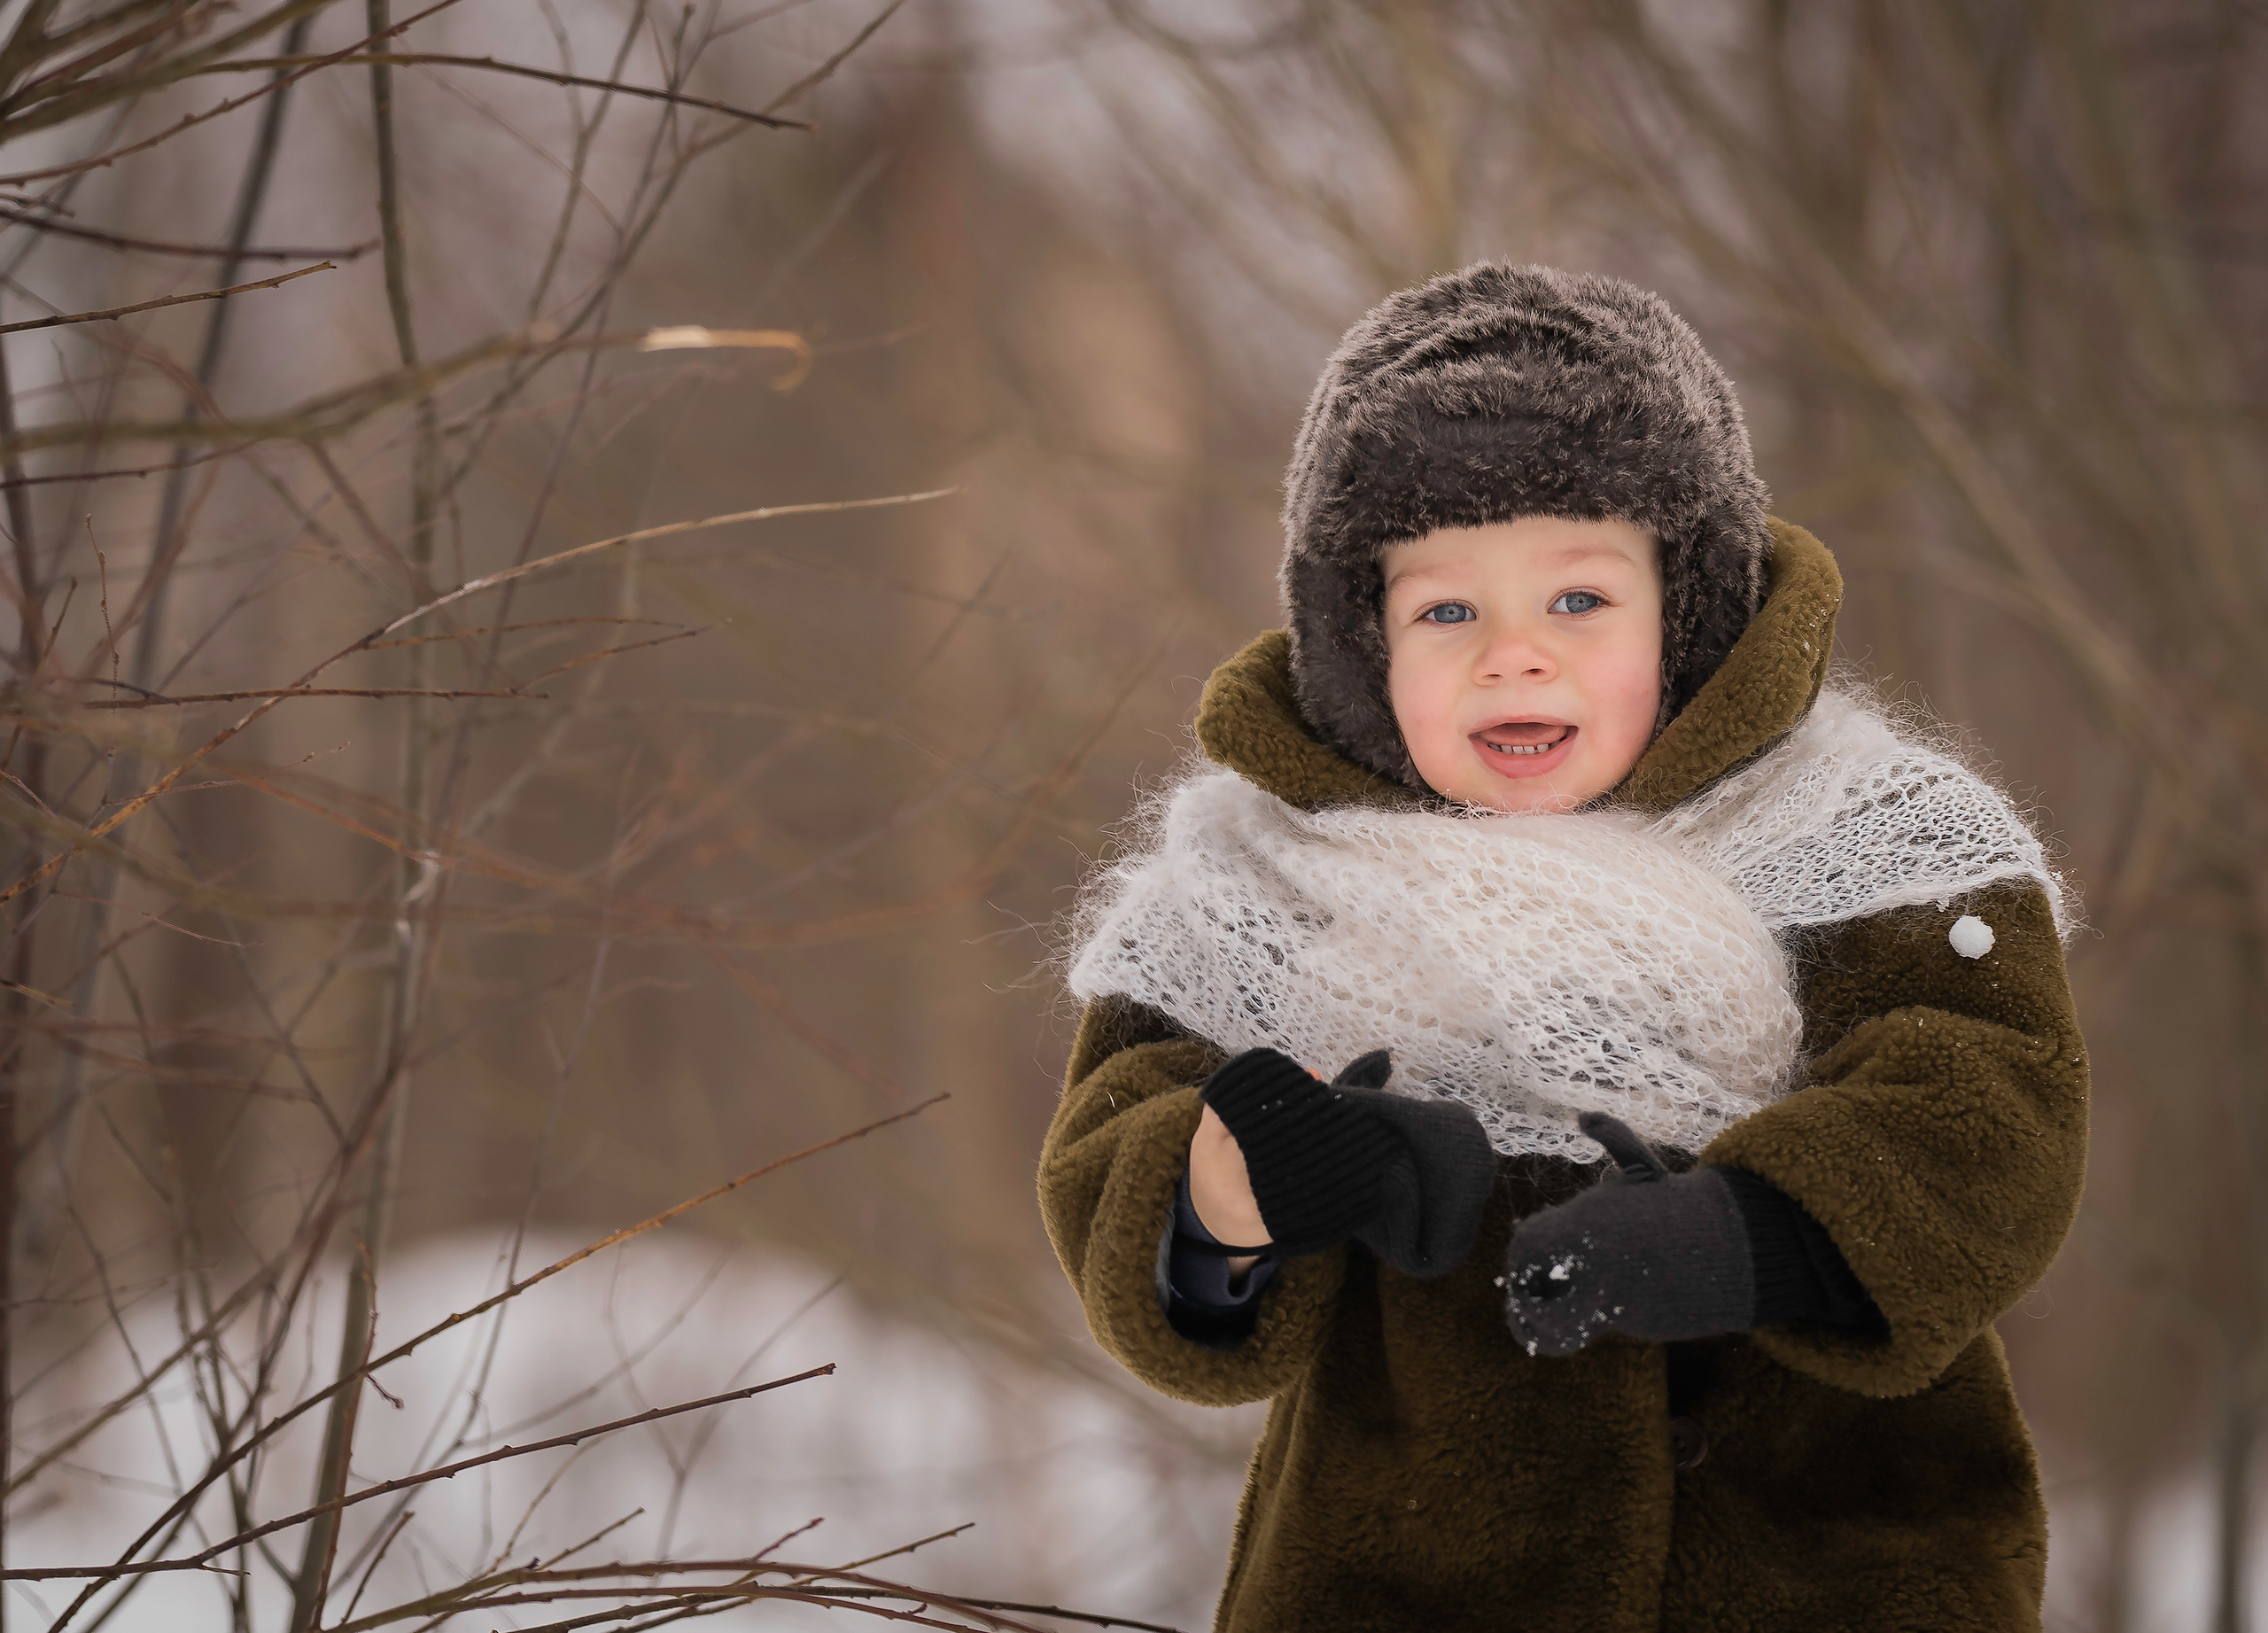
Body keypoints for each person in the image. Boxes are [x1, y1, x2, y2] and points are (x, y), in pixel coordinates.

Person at [1039, 263, 2088, 1633]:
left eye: (1580, 602)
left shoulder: (1872, 842)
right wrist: (1231, 1198)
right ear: (1362, 648)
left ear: (1689, 608)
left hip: (1826, 1553)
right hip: (1394, 1568)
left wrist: (1747, 1236)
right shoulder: (1256, 891)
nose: (1513, 658)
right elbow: (1116, 1140)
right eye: (1446, 611)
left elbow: (1989, 1101)